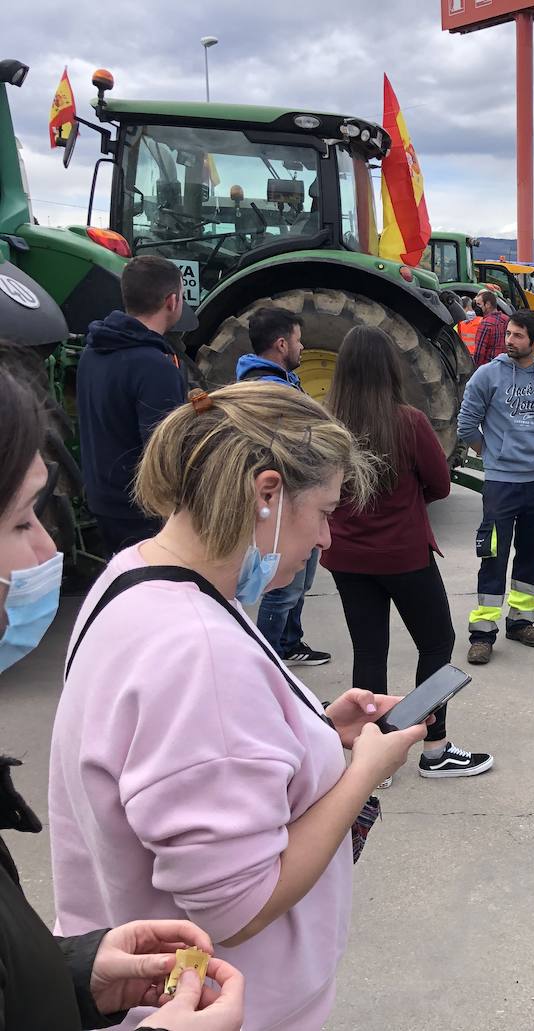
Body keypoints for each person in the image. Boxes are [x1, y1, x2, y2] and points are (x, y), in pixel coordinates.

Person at [49, 382, 429, 1030]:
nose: (328, 539)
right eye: (324, 510)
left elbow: (196, 753)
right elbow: (237, 904)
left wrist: (315, 725)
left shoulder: (135, 575)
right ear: (267, 493)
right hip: (226, 1007)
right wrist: (365, 767)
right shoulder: (200, 653)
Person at [1, 366, 247, 1031]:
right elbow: (232, 895)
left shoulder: (137, 581)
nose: (50, 546)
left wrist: (75, 972)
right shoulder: (192, 640)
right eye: (23, 518)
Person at [324, 326, 494, 782]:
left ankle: (373, 758)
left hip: (346, 556)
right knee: (436, 643)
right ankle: (434, 748)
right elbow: (440, 484)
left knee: (369, 648)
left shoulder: (325, 423)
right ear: (389, 370)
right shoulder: (408, 422)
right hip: (403, 554)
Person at [457, 309, 534, 665]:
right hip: (502, 483)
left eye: (519, 335)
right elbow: (466, 425)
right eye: (509, 333)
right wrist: (491, 455)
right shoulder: (487, 376)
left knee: (532, 556)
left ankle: (521, 622)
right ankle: (483, 632)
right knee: (493, 556)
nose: (510, 340)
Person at [236, 307, 330, 668]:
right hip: (285, 500)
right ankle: (270, 661)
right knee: (282, 587)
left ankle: (290, 642)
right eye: (297, 339)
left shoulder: (280, 381)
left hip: (295, 495)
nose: (302, 347)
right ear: (280, 344)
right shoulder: (271, 391)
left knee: (299, 581)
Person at [76, 255, 188, 553]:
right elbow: (165, 455)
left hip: (104, 501)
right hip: (143, 513)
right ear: (172, 301)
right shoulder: (155, 367)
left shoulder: (93, 352)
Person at [471, 290, 510, 368]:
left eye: (479, 304)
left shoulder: (486, 323)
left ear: (488, 304)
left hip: (489, 368)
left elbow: (479, 353)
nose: (476, 308)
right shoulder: (507, 319)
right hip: (506, 366)